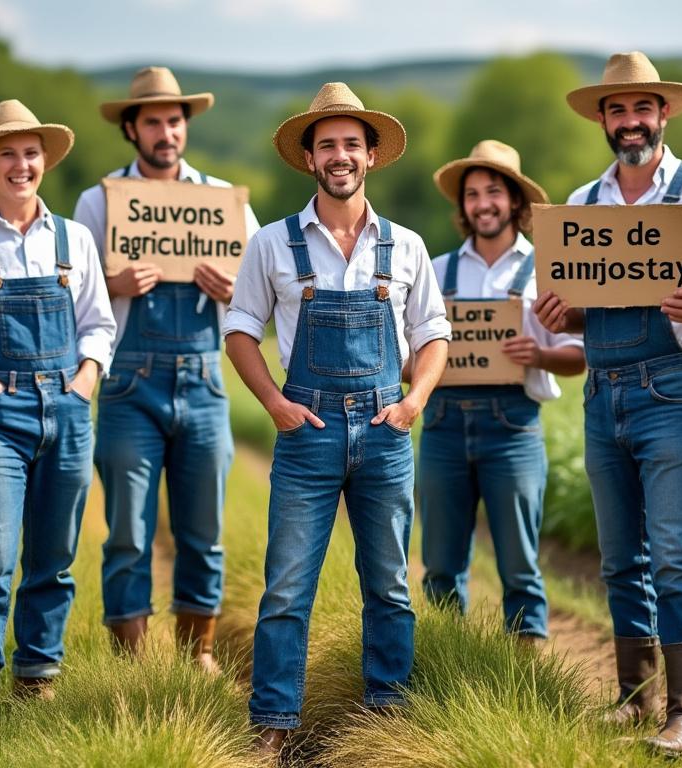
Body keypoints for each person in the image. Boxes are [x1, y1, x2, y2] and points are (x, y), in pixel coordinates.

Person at [222, 82, 450, 760]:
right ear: (309, 158)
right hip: (307, 433)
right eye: (328, 145)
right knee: (289, 586)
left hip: (385, 432)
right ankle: (273, 724)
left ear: (372, 155)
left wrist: (414, 403)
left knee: (388, 583)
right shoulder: (272, 243)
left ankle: (387, 715)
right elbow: (239, 331)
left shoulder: (407, 246)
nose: (340, 154)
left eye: (352, 143)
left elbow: (434, 335)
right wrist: (274, 403)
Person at [534, 51, 682, 755]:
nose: (631, 122)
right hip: (604, 390)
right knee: (620, 556)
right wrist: (561, 314)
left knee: (676, 552)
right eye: (617, 110)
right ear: (604, 119)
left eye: (642, 108)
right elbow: (569, 319)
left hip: (673, 388)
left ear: (663, 114)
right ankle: (635, 697)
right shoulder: (583, 205)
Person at [0, 99, 116, 724]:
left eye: (30, 152)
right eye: (7, 152)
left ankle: (38, 673)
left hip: (68, 407)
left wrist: (86, 380)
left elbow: (98, 322)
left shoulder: (75, 238)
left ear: (45, 161)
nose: (20, 164)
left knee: (55, 553)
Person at [73, 66, 259, 670]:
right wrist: (112, 281)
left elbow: (263, 294)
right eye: (152, 120)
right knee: (128, 527)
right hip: (128, 380)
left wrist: (233, 287)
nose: (165, 131)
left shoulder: (221, 200)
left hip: (204, 379)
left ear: (186, 127)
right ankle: (130, 661)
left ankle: (197, 653)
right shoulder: (99, 200)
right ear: (132, 128)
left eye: (174, 120)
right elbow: (70, 290)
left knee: (203, 526)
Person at [419, 140, 585, 642]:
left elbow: (581, 353)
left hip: (513, 427)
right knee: (441, 565)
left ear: (515, 201)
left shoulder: (546, 269)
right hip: (443, 426)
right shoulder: (436, 269)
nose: (482, 203)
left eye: (493, 191)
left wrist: (539, 356)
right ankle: (447, 657)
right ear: (463, 206)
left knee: (520, 564)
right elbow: (408, 353)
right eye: (472, 194)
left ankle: (526, 672)